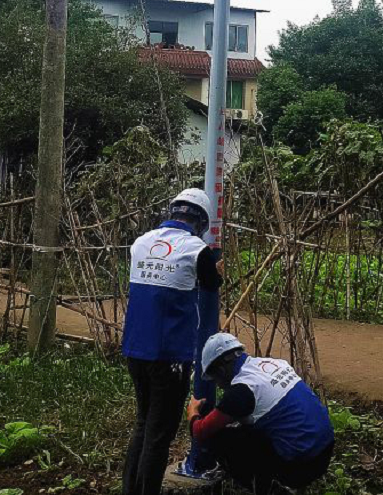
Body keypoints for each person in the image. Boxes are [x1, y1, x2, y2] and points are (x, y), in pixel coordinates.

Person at [121, 188, 223, 495]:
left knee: (143, 424)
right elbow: (212, 284)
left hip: (135, 350)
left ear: (173, 211)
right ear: (202, 222)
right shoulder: (197, 250)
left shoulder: (140, 243)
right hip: (170, 357)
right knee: (158, 435)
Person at [186, 333, 334, 494]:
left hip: (301, 465)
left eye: (215, 379)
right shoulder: (273, 363)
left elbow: (200, 432)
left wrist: (192, 411)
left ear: (221, 370)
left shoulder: (241, 391)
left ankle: (272, 488)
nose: (219, 386)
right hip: (325, 449)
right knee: (248, 430)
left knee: (217, 439)